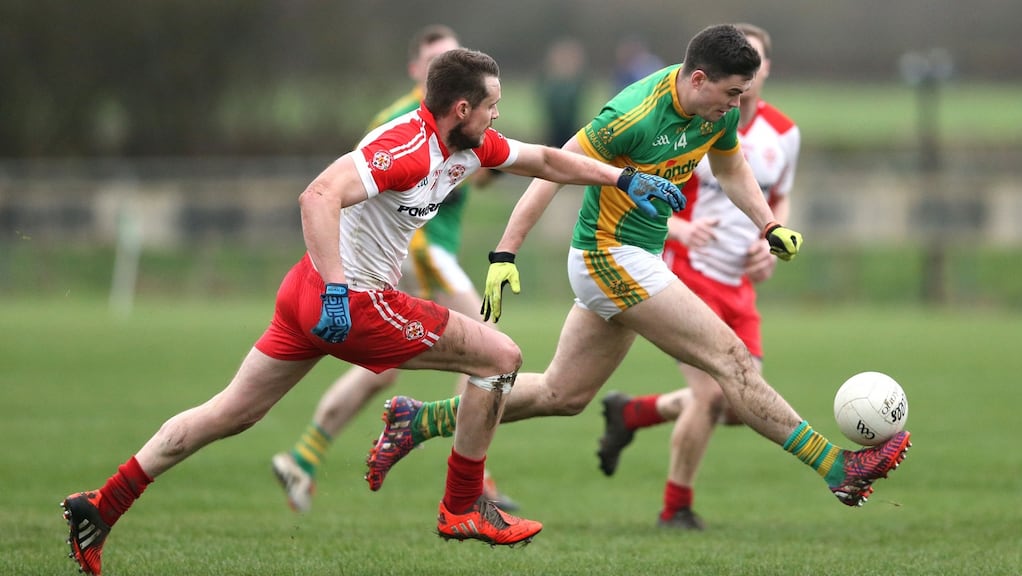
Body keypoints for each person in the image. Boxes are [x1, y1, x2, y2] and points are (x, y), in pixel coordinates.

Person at [59, 47, 687, 575]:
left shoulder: (472, 146)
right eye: (492, 104)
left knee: (232, 412)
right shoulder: (408, 147)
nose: (499, 114)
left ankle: (103, 504)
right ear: (462, 108)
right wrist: (338, 288)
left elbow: (547, 160)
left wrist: (622, 180)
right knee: (502, 357)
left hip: (306, 293)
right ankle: (462, 506)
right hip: (349, 299)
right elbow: (318, 196)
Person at [363, 24, 911, 519]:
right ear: (699, 80)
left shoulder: (714, 113)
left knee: (564, 394)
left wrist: (768, 225)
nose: (739, 105)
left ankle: (419, 419)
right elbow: (551, 170)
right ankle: (839, 470)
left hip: (635, 259)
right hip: (608, 255)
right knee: (732, 359)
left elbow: (731, 166)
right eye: (732, 94)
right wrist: (505, 254)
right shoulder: (632, 115)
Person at [270, 24, 518, 515]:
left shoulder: (466, 122)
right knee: (487, 350)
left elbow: (482, 176)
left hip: (417, 254)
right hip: (418, 253)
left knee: (380, 371)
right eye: (436, 59)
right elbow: (358, 188)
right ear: (418, 72)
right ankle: (474, 476)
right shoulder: (399, 120)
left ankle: (304, 458)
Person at [595, 23, 803, 530]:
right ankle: (675, 508)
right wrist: (682, 231)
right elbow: (657, 191)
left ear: (764, 70)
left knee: (739, 404)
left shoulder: (784, 133)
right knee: (713, 396)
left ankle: (635, 412)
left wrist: (769, 244)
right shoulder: (695, 121)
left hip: (740, 283)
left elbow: (776, 197)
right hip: (687, 271)